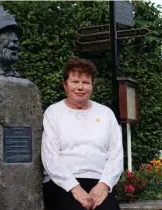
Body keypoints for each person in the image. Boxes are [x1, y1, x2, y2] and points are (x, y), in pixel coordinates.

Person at [41, 58, 124, 210]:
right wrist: (75, 188)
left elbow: (116, 154)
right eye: (75, 82)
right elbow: (50, 156)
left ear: (92, 86)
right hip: (62, 184)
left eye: (85, 82)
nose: (80, 87)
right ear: (65, 85)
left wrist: (104, 185)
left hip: (98, 182)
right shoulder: (53, 113)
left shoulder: (106, 114)